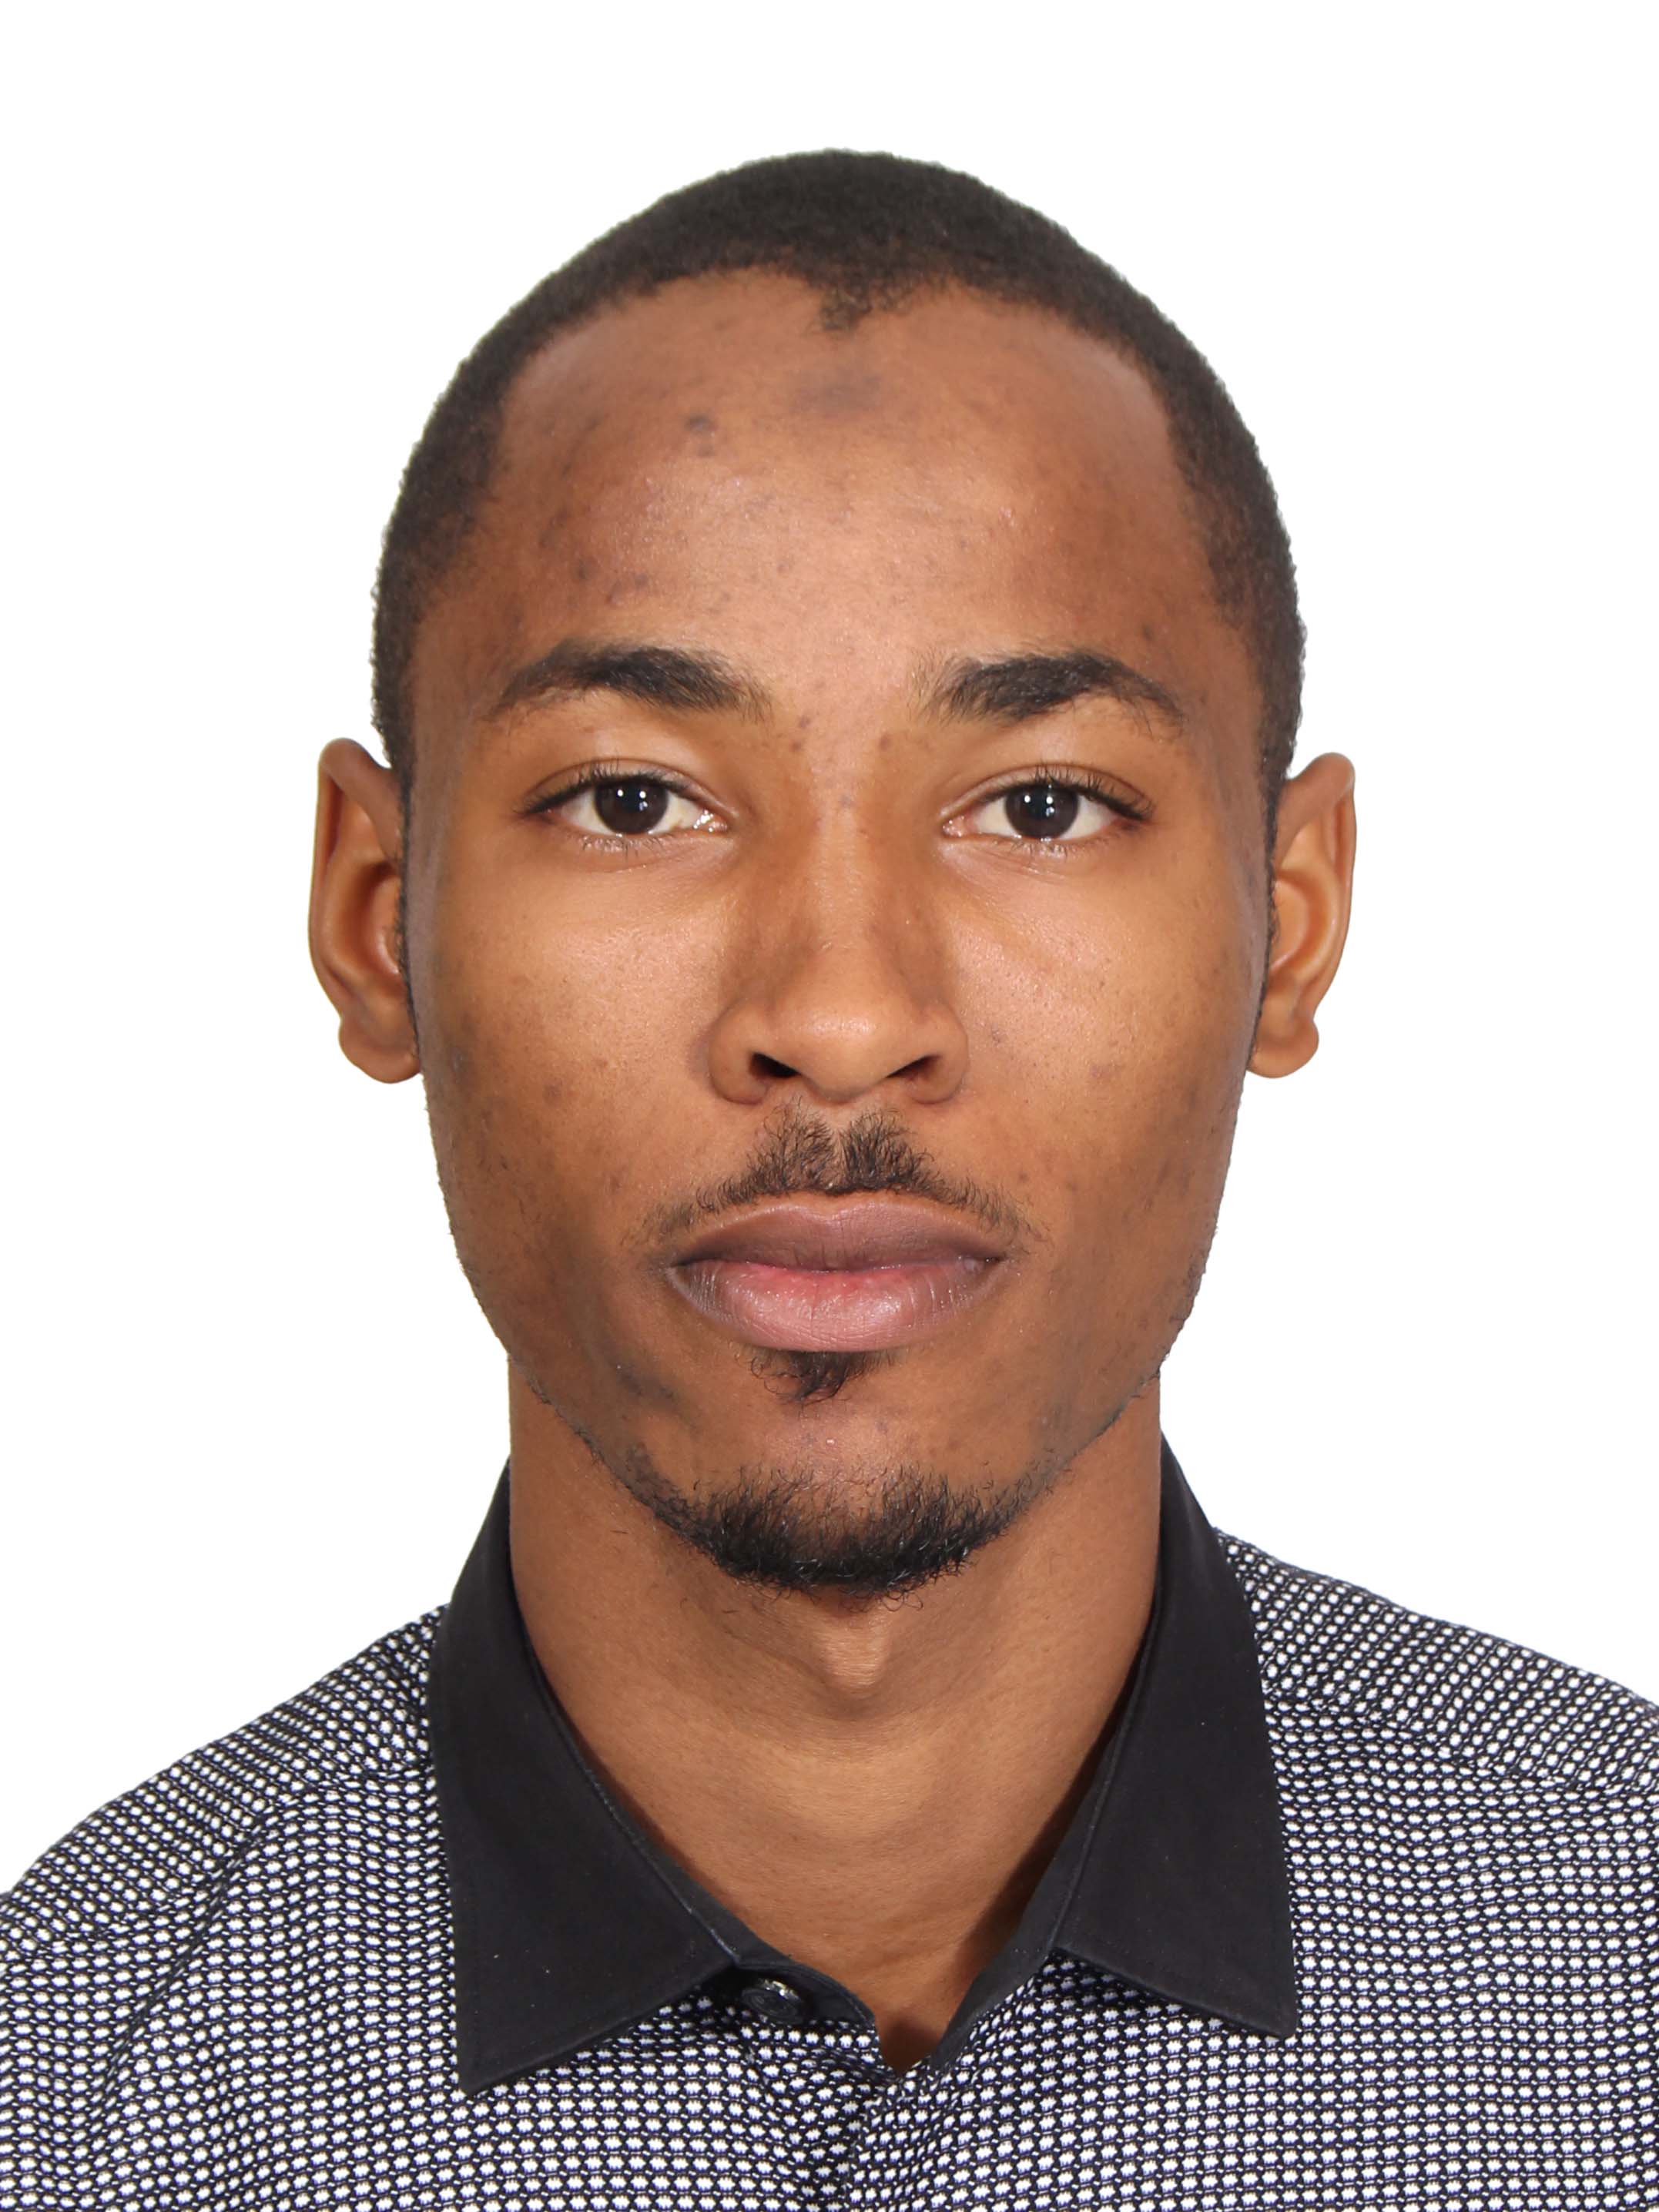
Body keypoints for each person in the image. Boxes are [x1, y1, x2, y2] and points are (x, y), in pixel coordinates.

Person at [3, 148, 1652, 2210]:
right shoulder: (57, 2101)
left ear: (1290, 923)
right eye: (635, 800)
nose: (845, 1017)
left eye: (1040, 807)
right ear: (374, 918)